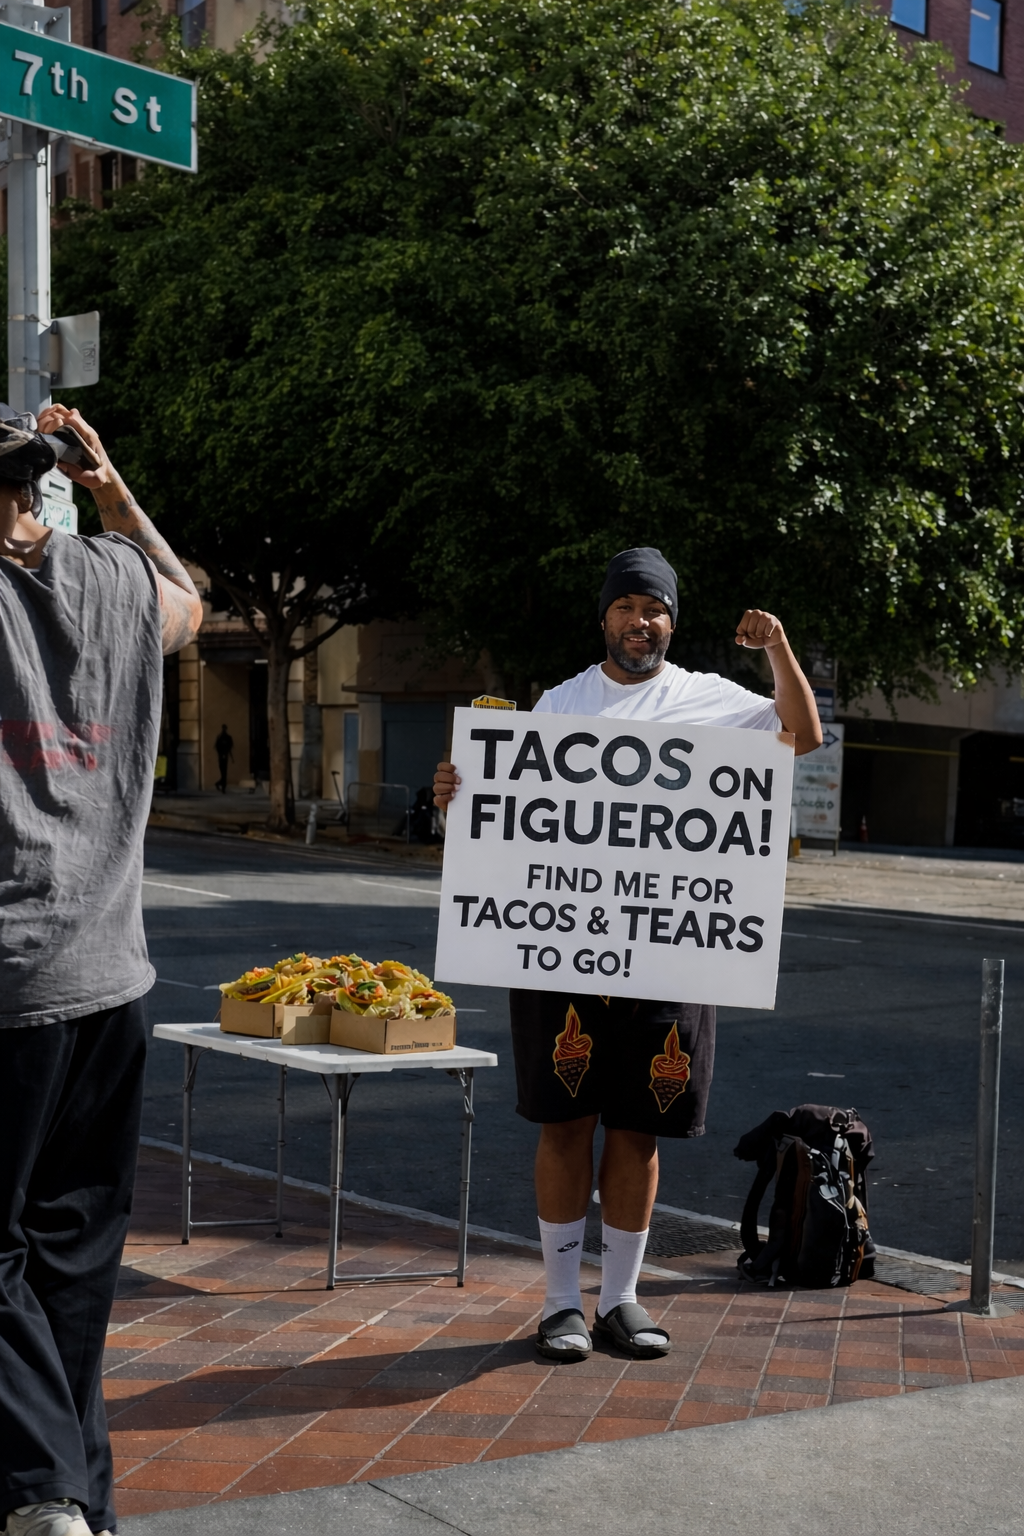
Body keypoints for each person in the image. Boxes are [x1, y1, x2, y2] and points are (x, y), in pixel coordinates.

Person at [434, 547, 821, 1363]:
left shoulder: (714, 700)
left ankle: (621, 1299)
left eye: (656, 611)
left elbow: (802, 735)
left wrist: (778, 647)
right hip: (562, 955)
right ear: (603, 616)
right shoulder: (560, 704)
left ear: (671, 624)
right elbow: (508, 813)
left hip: (670, 952)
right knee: (565, 1122)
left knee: (640, 1129)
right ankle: (557, 1303)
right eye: (627, 608)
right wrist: (459, 798)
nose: (640, 623)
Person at [0, 403, 202, 1536]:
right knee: (70, 1263)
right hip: (112, 981)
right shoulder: (118, 580)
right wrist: (116, 487)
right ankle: (85, 1503)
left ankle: (41, 1493)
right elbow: (195, 604)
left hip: (11, 986)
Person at [214, 724, 234, 793]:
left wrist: (231, 758)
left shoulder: (228, 737)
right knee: (223, 773)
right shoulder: (220, 737)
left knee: (224, 773)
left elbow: (230, 748)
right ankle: (220, 785)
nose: (224, 730)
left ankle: (222, 787)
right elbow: (216, 747)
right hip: (221, 757)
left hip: (225, 757)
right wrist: (221, 754)